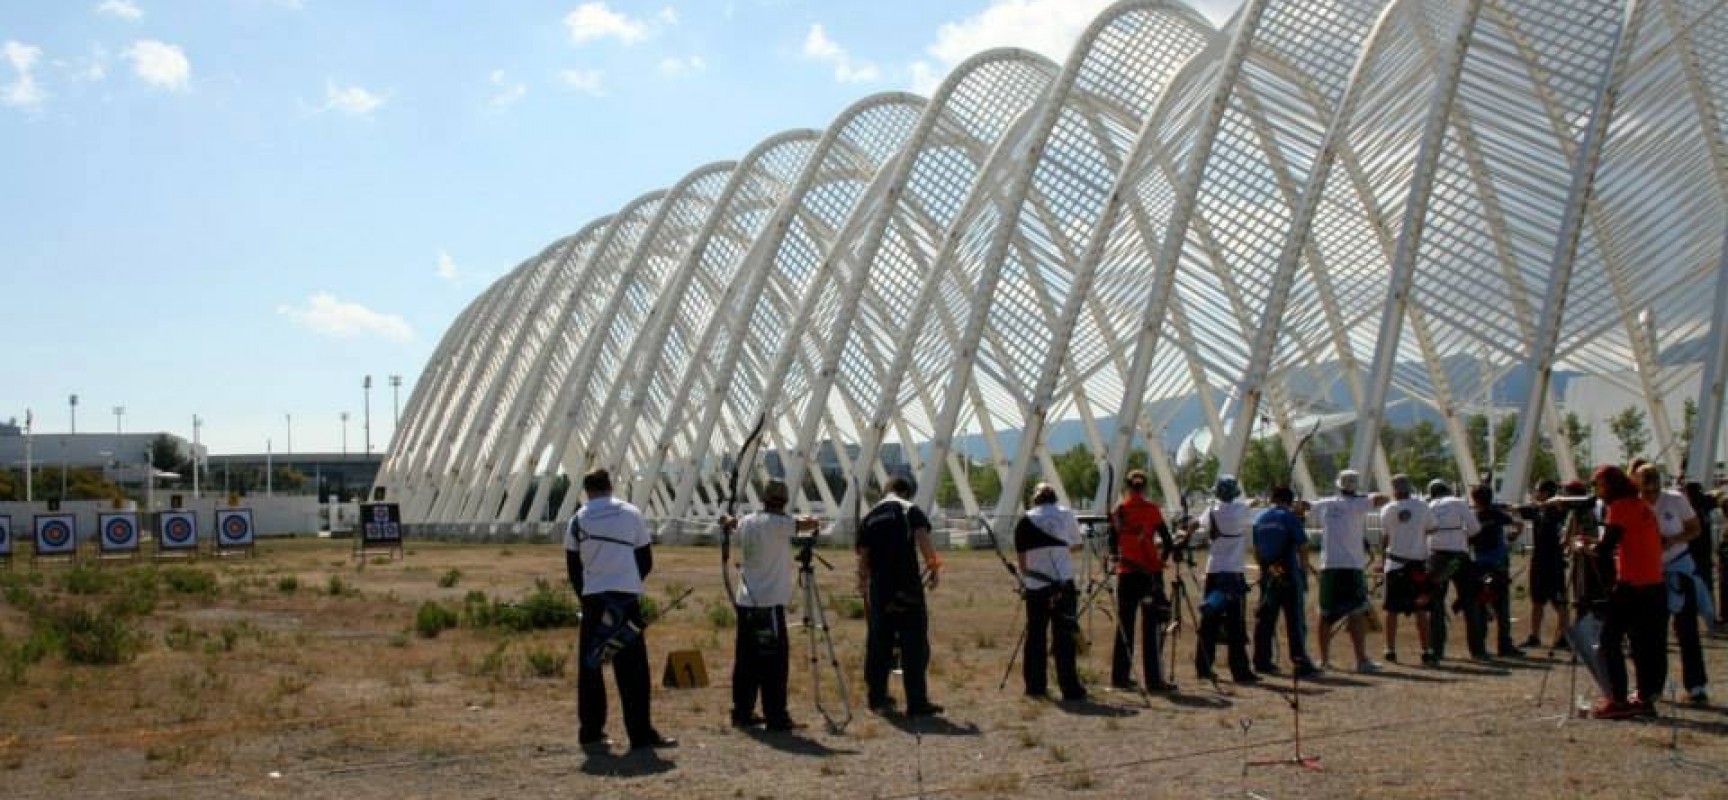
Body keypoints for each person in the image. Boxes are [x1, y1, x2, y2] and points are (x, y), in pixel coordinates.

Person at [566, 468, 677, 751]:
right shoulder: (631, 513)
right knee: (634, 670)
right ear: (610, 486)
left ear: (586, 490)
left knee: (591, 668)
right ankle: (640, 734)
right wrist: (626, 582)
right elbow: (645, 558)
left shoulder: (577, 520)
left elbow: (573, 567)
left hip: (594, 601)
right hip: (625, 601)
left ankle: (591, 732)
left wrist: (588, 596)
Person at [720, 479, 822, 731]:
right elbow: (807, 524)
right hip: (769, 604)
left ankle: (742, 712)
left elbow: (732, 524)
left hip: (747, 603)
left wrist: (727, 520)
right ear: (784, 501)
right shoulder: (779, 524)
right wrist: (812, 519)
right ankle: (776, 715)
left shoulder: (748, 521)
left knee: (747, 660)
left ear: (764, 499)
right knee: (774, 662)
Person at [857, 476, 944, 716]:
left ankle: (877, 698)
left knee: (878, 644)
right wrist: (934, 568)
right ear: (907, 492)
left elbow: (863, 556)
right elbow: (923, 540)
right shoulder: (909, 509)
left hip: (880, 590)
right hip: (907, 587)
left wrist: (862, 582)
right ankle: (917, 702)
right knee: (914, 645)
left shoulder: (870, 516)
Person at [1590, 464, 1668, 719]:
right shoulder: (1641, 505)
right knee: (1643, 643)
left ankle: (1618, 699)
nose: (1597, 490)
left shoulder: (1620, 507)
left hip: (1633, 584)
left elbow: (1607, 545)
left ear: (1610, 486)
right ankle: (1645, 698)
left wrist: (1585, 547)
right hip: (1653, 583)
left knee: (1609, 639)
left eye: (1598, 485)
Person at [1637, 465, 1710, 704]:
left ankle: (1696, 686)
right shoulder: (1635, 504)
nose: (1650, 494)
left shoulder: (1676, 500)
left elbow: (1695, 529)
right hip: (1650, 573)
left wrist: (1672, 540)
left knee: (1687, 629)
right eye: (1645, 488)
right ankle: (1652, 687)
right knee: (1653, 633)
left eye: (1653, 487)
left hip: (1679, 568)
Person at [1014, 483, 1087, 701]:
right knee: (1065, 636)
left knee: (1036, 635)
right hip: (1063, 583)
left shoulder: (1025, 519)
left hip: (1037, 585)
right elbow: (1076, 544)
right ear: (1055, 498)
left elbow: (1022, 562)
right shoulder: (1065, 514)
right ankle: (1070, 688)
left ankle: (1035, 686)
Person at [1311, 469, 1388, 673]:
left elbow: (1303, 508)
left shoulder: (1326, 503)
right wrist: (1362, 496)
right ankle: (1361, 660)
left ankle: (1324, 660)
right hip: (1352, 565)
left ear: (1338, 485)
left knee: (1325, 613)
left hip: (1329, 565)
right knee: (1356, 611)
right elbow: (1383, 498)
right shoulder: (1359, 503)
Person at [1108, 469, 1178, 691]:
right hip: (1149, 575)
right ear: (1145, 487)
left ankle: (1120, 677)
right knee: (1152, 628)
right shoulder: (1152, 510)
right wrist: (1161, 560)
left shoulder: (1119, 511)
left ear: (1127, 487)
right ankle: (1154, 680)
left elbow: (1112, 545)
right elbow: (1167, 540)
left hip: (1127, 573)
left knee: (1125, 625)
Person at [1195, 475, 1257, 684]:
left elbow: (1197, 524)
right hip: (1233, 572)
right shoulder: (1241, 510)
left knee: (1209, 621)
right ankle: (1240, 670)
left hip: (1214, 570)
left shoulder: (1212, 510)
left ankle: (1203, 666)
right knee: (1235, 623)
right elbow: (1251, 507)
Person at [1252, 486, 1319, 677]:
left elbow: (1256, 550)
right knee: (1294, 619)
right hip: (1288, 572)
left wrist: (1266, 570)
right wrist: (1304, 573)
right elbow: (1302, 547)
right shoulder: (1290, 518)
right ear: (1289, 501)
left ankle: (1261, 660)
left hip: (1269, 573)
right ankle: (1299, 661)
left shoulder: (1260, 518)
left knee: (1265, 618)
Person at [1379, 475, 1435, 663]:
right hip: (1417, 565)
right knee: (1421, 609)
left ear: (1394, 489)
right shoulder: (1422, 506)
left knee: (1392, 610)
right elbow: (1432, 528)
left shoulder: (1388, 509)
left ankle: (1390, 649)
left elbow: (1385, 537)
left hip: (1395, 564)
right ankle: (1426, 650)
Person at [1426, 479, 1482, 664]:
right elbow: (1475, 529)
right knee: (1470, 602)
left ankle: (1437, 649)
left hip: (1437, 559)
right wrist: (1460, 534)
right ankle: (1477, 650)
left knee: (1436, 604)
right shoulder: (1458, 502)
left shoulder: (1429, 505)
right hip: (1459, 558)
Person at [1468, 484, 1523, 658]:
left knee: (1482, 605)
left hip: (1480, 564)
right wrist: (1513, 537)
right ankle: (1504, 646)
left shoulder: (1473, 516)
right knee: (1502, 606)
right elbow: (1518, 524)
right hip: (1498, 563)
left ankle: (1481, 646)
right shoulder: (1496, 514)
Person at [1516, 479, 1571, 650]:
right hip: (1539, 561)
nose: (1535, 493)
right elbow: (1518, 509)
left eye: (1538, 490)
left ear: (1547, 493)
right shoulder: (1537, 510)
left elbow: (1562, 507)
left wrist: (1548, 503)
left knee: (1559, 602)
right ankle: (1534, 635)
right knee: (1537, 600)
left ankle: (1564, 636)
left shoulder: (1556, 510)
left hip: (1553, 562)